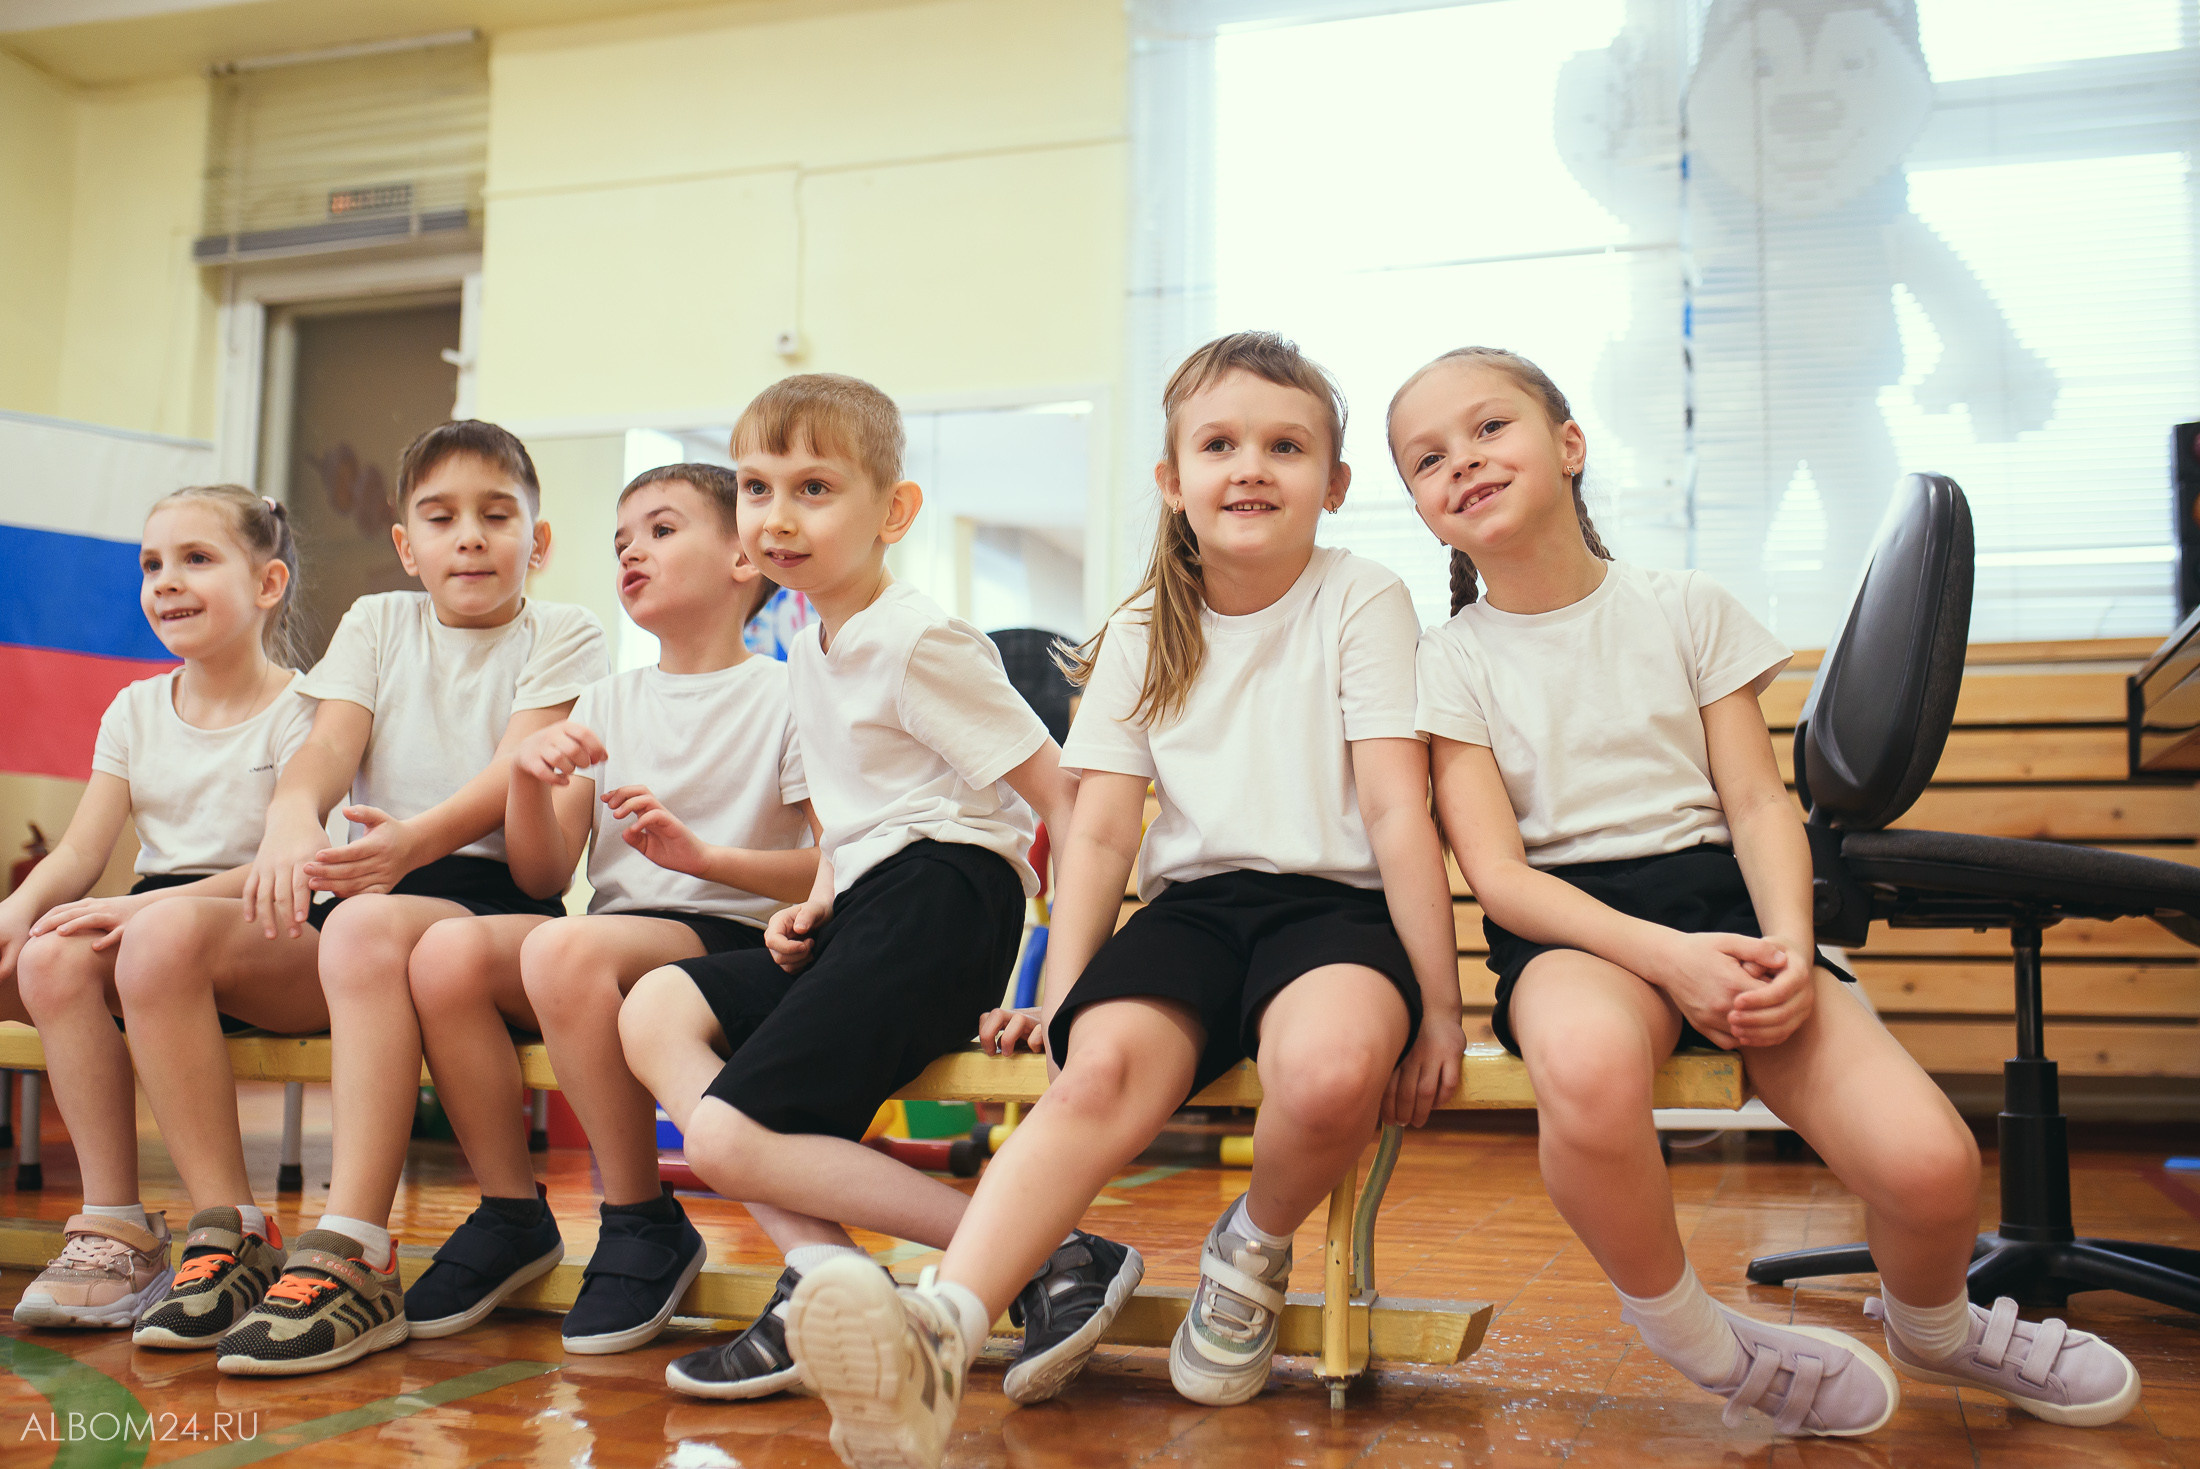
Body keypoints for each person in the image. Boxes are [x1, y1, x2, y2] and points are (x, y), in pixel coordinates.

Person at [1394, 345, 2140, 1433]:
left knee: (1932, 1165)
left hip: (1732, 913)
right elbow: (1500, 877)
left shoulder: (1688, 605)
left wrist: (1789, 943)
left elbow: (1755, 805)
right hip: (1574, 932)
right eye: (1428, 457)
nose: (1462, 461)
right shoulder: (1445, 661)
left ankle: (1938, 1325)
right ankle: (1701, 1337)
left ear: (1568, 445)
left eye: (1488, 428)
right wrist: (1665, 959)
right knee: (1589, 1064)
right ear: (1422, 510)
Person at [784, 333, 1465, 1469]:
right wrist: (1054, 995)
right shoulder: (1147, 623)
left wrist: (1439, 1006)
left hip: (1332, 913)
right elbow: (1097, 829)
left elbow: (1400, 812)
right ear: (1172, 479)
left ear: (1333, 484)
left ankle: (1251, 1246)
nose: (1249, 466)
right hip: (1193, 912)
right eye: (1218, 444)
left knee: (1333, 1068)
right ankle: (941, 1334)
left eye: (1284, 445)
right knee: (1093, 1068)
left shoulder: (1364, 596)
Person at [616, 373, 1136, 1406]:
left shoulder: (920, 638)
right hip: (869, 904)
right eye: (758, 489)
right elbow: (854, 817)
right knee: (652, 1005)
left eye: (814, 487)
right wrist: (818, 890)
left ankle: (1045, 1247)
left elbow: (1064, 803)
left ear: (892, 512)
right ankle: (827, 1274)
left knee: (723, 1135)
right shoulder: (806, 644)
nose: (778, 515)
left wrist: (1062, 982)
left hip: (944, 899)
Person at [215, 420, 608, 1375]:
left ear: (539, 541)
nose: (468, 535)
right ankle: (216, 1236)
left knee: (363, 927)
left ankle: (354, 1243)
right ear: (407, 545)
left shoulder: (565, 631)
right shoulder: (378, 621)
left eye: (496, 515)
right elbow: (326, 749)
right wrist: (291, 817)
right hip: (371, 887)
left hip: (487, 900)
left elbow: (517, 771)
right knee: (158, 942)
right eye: (440, 516)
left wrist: (407, 844)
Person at [400, 462, 814, 1357]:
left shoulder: (788, 693)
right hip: (618, 935)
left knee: (566, 952)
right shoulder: (606, 701)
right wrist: (523, 775)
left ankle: (639, 1217)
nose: (632, 551)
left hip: (734, 939)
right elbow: (543, 864)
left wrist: (705, 857)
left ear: (746, 557)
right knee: (442, 953)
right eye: (622, 540)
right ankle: (511, 1208)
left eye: (662, 531)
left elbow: (829, 867)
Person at [4, 485, 316, 1335]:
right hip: (155, 927)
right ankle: (118, 1228)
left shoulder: (308, 709)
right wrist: (19, 909)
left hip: (275, 924)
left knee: (158, 929)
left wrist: (147, 911)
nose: (166, 581)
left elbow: (287, 862)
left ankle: (235, 1228)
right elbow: (78, 851)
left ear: (268, 582)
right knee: (46, 957)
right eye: (151, 564)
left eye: (196, 559)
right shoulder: (135, 706)